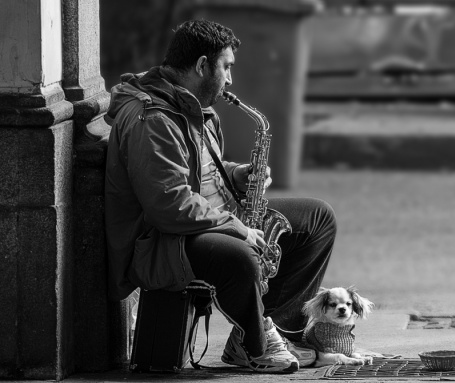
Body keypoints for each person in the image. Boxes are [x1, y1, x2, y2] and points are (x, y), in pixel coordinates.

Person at [104, 19, 336, 374]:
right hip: (161, 241)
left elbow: (198, 169)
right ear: (201, 65)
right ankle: (257, 346)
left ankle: (266, 328)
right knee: (241, 254)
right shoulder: (153, 119)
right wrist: (239, 228)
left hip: (206, 218)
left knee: (318, 218)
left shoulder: (191, 105)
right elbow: (169, 204)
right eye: (226, 67)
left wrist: (236, 174)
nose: (230, 79)